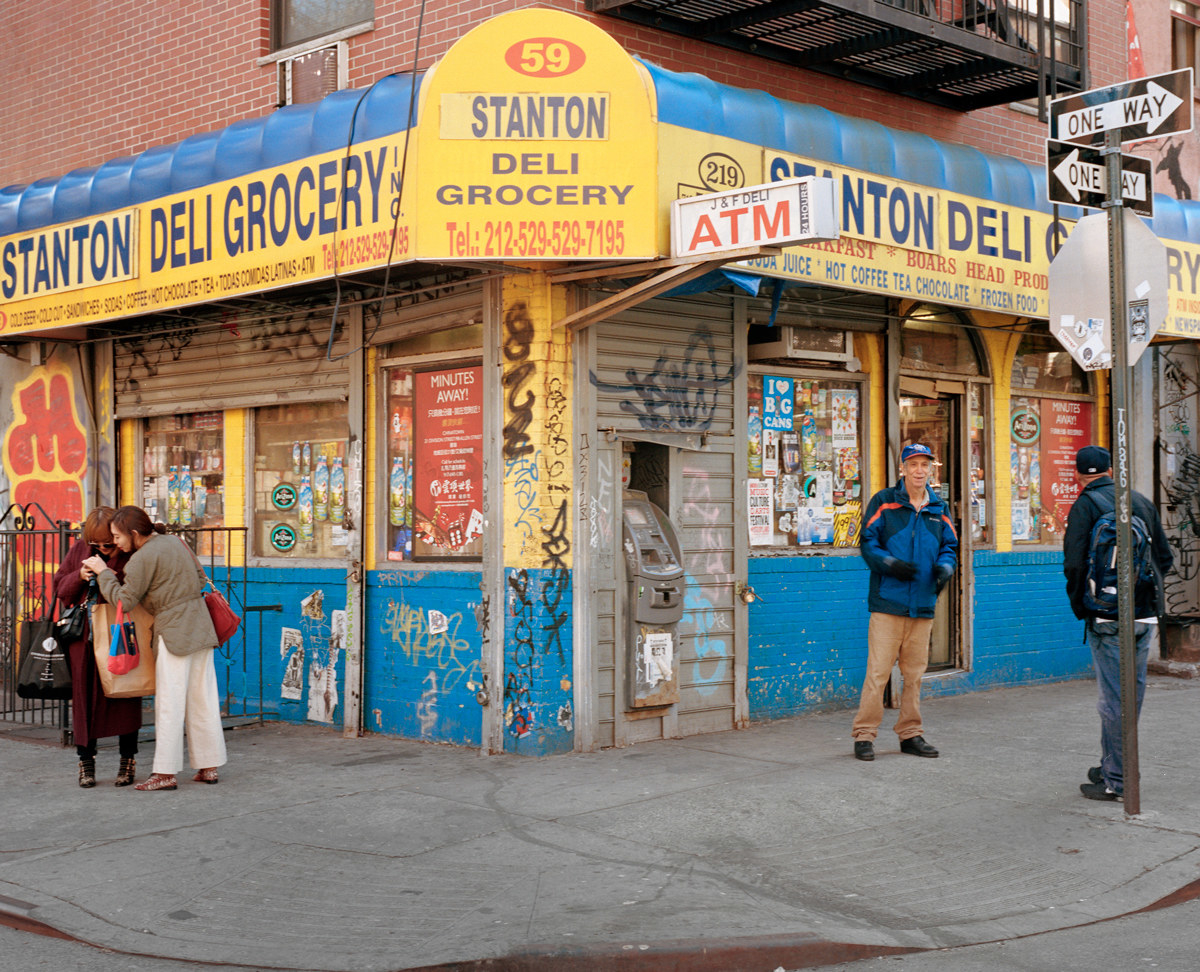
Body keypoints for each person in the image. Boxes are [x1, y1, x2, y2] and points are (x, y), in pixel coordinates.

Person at [83, 506, 226, 791]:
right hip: (200, 627)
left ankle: (165, 773)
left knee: (169, 705)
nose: (117, 543)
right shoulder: (176, 542)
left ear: (134, 533)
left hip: (173, 632)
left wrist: (103, 573)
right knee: (204, 698)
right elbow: (199, 581)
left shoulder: (141, 558)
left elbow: (123, 600)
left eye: (118, 536)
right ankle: (208, 767)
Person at [1062, 445, 1173, 802]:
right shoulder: (1139, 501)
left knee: (1113, 698)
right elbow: (1165, 559)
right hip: (1144, 615)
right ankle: (1113, 763)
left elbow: (1074, 566)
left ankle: (1117, 780)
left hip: (1107, 617)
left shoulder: (1085, 506)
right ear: (1110, 469)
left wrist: (1085, 607)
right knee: (1130, 693)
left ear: (1079, 474)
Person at [852, 443, 958, 761]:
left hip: (923, 605)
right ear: (903, 468)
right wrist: (889, 564)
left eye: (925, 464)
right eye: (913, 464)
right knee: (878, 673)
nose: (919, 470)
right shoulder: (884, 503)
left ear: (931, 469)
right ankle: (864, 735)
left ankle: (910, 734)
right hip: (888, 602)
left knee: (913, 676)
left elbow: (950, 545)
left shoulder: (939, 508)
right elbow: (868, 542)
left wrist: (945, 568)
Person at [52, 507, 141, 788]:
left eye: (108, 543)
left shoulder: (130, 551)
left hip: (118, 631)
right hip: (85, 635)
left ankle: (127, 760)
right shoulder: (80, 549)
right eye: (96, 544)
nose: (103, 548)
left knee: (126, 693)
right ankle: (85, 761)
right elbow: (60, 589)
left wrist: (107, 574)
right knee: (83, 696)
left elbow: (135, 592)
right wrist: (79, 576)